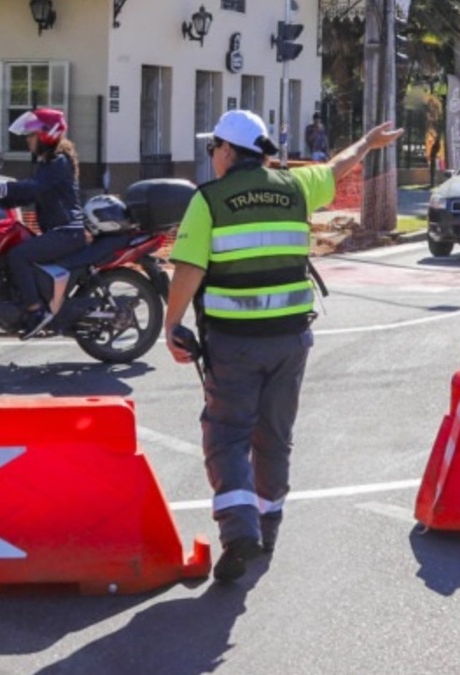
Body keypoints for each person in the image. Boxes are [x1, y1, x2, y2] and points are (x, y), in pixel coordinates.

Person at [165, 109, 403, 582]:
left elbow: (189, 270)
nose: (212, 156)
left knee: (227, 435)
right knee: (273, 436)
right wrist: (367, 142)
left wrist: (171, 324)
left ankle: (238, 532)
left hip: (234, 343)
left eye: (213, 148)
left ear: (228, 151)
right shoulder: (295, 187)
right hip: (291, 341)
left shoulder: (209, 199)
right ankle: (267, 526)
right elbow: (337, 167)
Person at [0, 108, 86, 337]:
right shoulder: (47, 163)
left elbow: (34, 188)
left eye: (32, 135)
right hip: (59, 232)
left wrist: (1, 187)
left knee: (18, 255)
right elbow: (28, 195)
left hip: (67, 233)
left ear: (46, 135)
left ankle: (35, 311)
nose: (28, 140)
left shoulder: (59, 162)